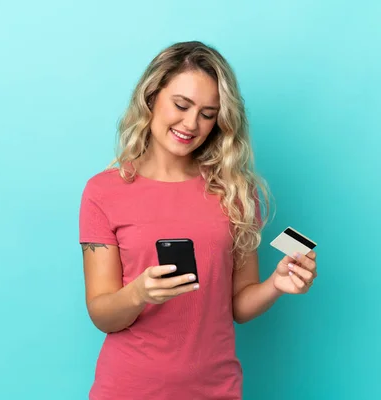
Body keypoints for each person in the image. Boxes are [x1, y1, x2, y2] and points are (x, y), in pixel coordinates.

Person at [78, 40, 318, 400]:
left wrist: (275, 285)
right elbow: (102, 314)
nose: (191, 124)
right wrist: (139, 293)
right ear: (151, 97)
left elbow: (238, 305)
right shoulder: (103, 192)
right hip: (128, 388)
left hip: (215, 388)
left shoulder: (234, 191)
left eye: (208, 114)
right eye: (181, 105)